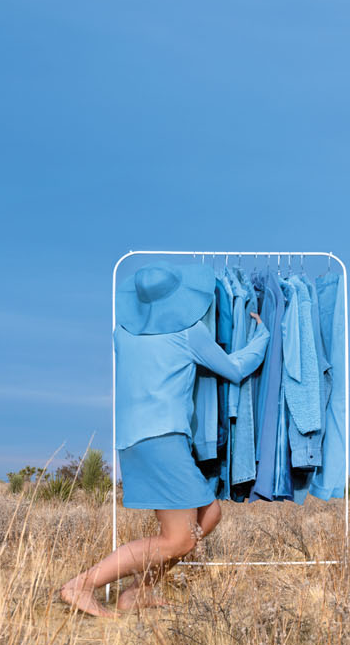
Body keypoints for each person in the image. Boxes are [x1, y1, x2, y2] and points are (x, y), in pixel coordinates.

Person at [59, 262, 269, 616]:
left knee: (210, 514)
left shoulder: (121, 334)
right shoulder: (188, 333)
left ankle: (137, 592)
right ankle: (80, 585)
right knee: (179, 539)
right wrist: (262, 337)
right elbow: (233, 370)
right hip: (163, 440)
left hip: (135, 441)